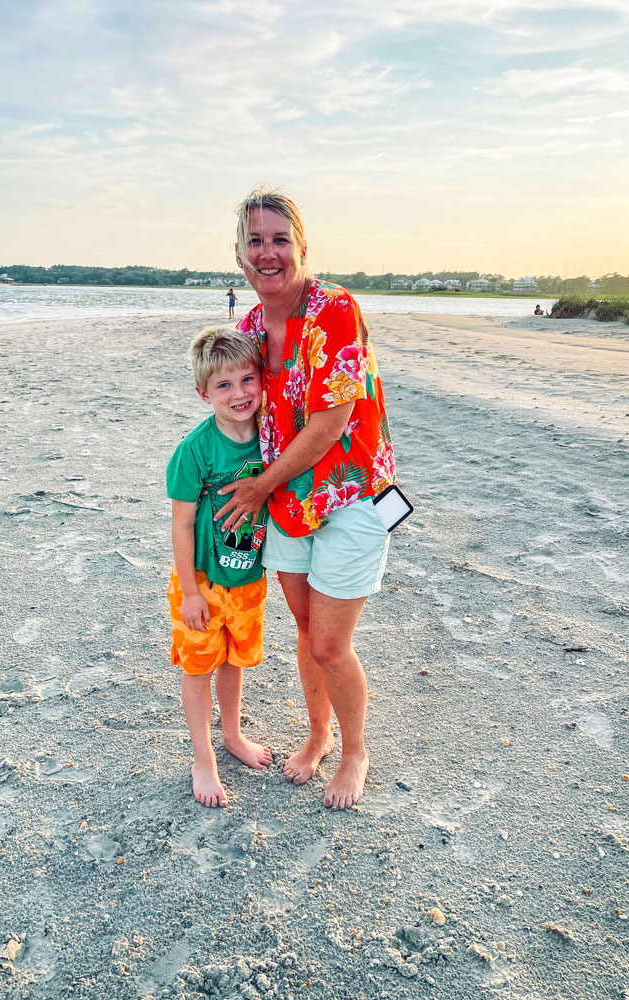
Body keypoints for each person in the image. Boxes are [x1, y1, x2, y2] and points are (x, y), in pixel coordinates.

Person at [215, 188, 397, 810]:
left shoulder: (334, 310)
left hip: (349, 497)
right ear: (239, 254)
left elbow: (329, 423)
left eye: (279, 239)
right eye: (256, 241)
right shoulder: (244, 330)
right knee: (303, 626)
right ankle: (318, 735)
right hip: (286, 506)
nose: (268, 253)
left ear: (301, 246)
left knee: (329, 643)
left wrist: (260, 486)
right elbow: (235, 409)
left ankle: (355, 752)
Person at [166, 326, 273, 807]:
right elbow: (183, 525)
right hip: (204, 582)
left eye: (247, 379)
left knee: (234, 661)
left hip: (248, 576)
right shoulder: (196, 449)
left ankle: (233, 735)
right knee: (199, 666)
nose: (239, 393)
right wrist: (189, 591)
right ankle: (203, 757)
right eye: (224, 385)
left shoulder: (272, 435)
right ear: (203, 392)